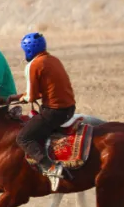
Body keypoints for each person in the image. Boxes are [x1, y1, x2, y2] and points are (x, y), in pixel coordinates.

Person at [10, 32, 76, 188]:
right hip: (69, 108)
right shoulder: (53, 59)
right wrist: (16, 97)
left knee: (23, 138)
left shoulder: (34, 65)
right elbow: (43, 91)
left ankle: (51, 168)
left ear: (29, 50)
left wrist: (19, 99)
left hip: (54, 111)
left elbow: (32, 96)